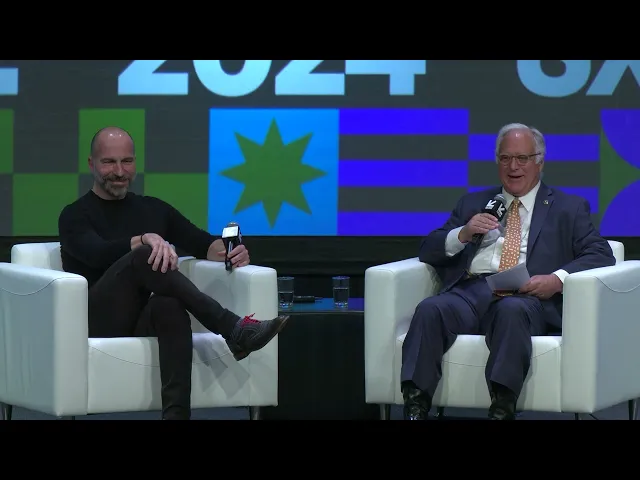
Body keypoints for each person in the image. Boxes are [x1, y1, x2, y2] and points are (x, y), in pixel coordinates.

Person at [58, 126, 289, 420]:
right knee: (144, 255)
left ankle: (176, 415)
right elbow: (96, 253)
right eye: (109, 162)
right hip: (94, 321)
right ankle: (231, 326)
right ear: (91, 164)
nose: (119, 171)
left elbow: (202, 243)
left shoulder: (153, 209)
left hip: (140, 319)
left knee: (168, 304)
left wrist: (230, 251)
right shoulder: (74, 215)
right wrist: (143, 240)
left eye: (127, 161)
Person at [401, 123, 616, 420]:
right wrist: (463, 233)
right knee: (430, 309)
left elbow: (600, 253)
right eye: (505, 158)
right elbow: (429, 249)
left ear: (539, 162)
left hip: (526, 298)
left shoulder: (568, 208)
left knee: (510, 312)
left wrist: (556, 280)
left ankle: (502, 408)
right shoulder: (473, 203)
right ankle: (415, 406)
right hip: (471, 293)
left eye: (522, 158)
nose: (513, 167)